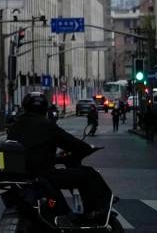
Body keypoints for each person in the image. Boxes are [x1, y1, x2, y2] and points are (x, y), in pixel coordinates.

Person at [7, 92, 112, 226]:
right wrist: (86, 148)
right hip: (44, 176)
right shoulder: (47, 125)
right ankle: (92, 214)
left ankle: (63, 214)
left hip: (21, 178)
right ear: (45, 109)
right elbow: (70, 142)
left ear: (25, 107)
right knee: (89, 175)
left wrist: (54, 157)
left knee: (54, 195)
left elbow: (31, 150)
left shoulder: (15, 127)